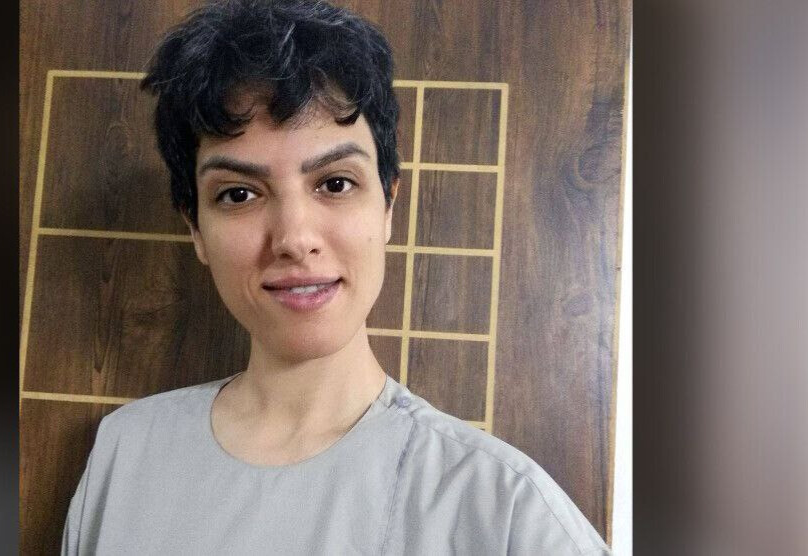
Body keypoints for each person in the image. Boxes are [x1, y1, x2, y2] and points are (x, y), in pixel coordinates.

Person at [62, 1, 611, 554]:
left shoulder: (504, 508)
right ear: (196, 229)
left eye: (336, 184)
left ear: (388, 205)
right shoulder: (125, 455)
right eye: (239, 194)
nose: (294, 238)